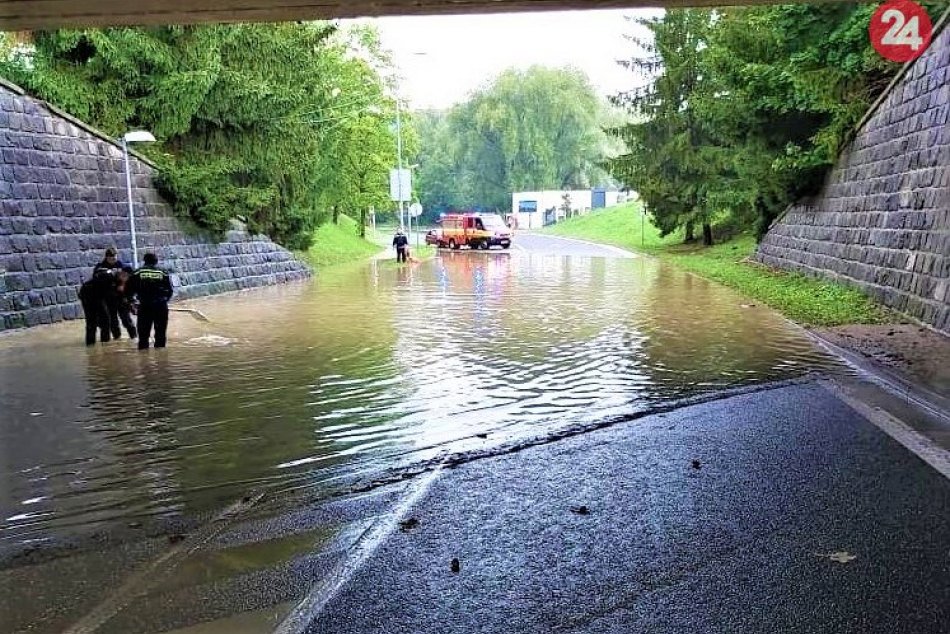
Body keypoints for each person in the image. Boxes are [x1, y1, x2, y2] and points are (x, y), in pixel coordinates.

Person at [126, 252, 173, 350]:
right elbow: (170, 291)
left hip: (145, 306)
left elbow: (128, 290)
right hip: (160, 307)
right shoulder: (163, 272)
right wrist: (164, 301)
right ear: (156, 261)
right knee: (160, 335)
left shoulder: (137, 272)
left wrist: (132, 302)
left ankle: (144, 361)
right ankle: (161, 360)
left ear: (144, 261)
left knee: (143, 337)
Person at [92, 247, 136, 340]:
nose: (114, 260)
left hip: (121, 298)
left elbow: (131, 279)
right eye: (111, 258)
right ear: (107, 258)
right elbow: (96, 280)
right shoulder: (100, 267)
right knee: (113, 322)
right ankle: (117, 339)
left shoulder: (122, 265)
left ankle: (134, 338)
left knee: (126, 320)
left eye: (115, 257)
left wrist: (127, 293)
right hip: (108, 299)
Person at [78, 274, 111, 345]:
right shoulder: (107, 281)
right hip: (89, 297)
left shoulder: (109, 280)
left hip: (92, 295)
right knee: (94, 323)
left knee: (99, 322)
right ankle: (101, 344)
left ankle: (102, 344)